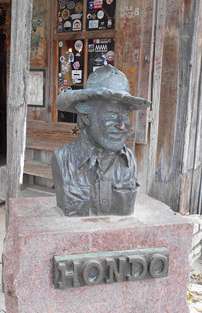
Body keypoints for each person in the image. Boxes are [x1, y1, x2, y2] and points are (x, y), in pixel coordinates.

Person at [51, 65, 151, 216]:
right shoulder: (63, 159)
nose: (122, 125)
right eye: (111, 115)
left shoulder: (129, 161)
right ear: (86, 117)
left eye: (125, 115)